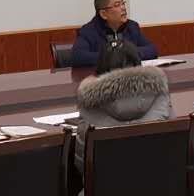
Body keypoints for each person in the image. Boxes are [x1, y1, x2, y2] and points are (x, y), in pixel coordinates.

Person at [74, 39, 172, 175]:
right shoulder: (160, 94)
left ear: (100, 70)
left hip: (106, 187)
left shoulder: (89, 102)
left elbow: (82, 164)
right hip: (161, 185)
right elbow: (172, 151)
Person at [72, 0, 158, 69]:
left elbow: (152, 49)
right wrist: (112, 57)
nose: (123, 8)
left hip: (130, 75)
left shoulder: (132, 26)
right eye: (117, 5)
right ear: (103, 14)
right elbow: (78, 56)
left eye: (123, 3)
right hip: (102, 78)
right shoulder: (89, 31)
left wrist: (130, 54)